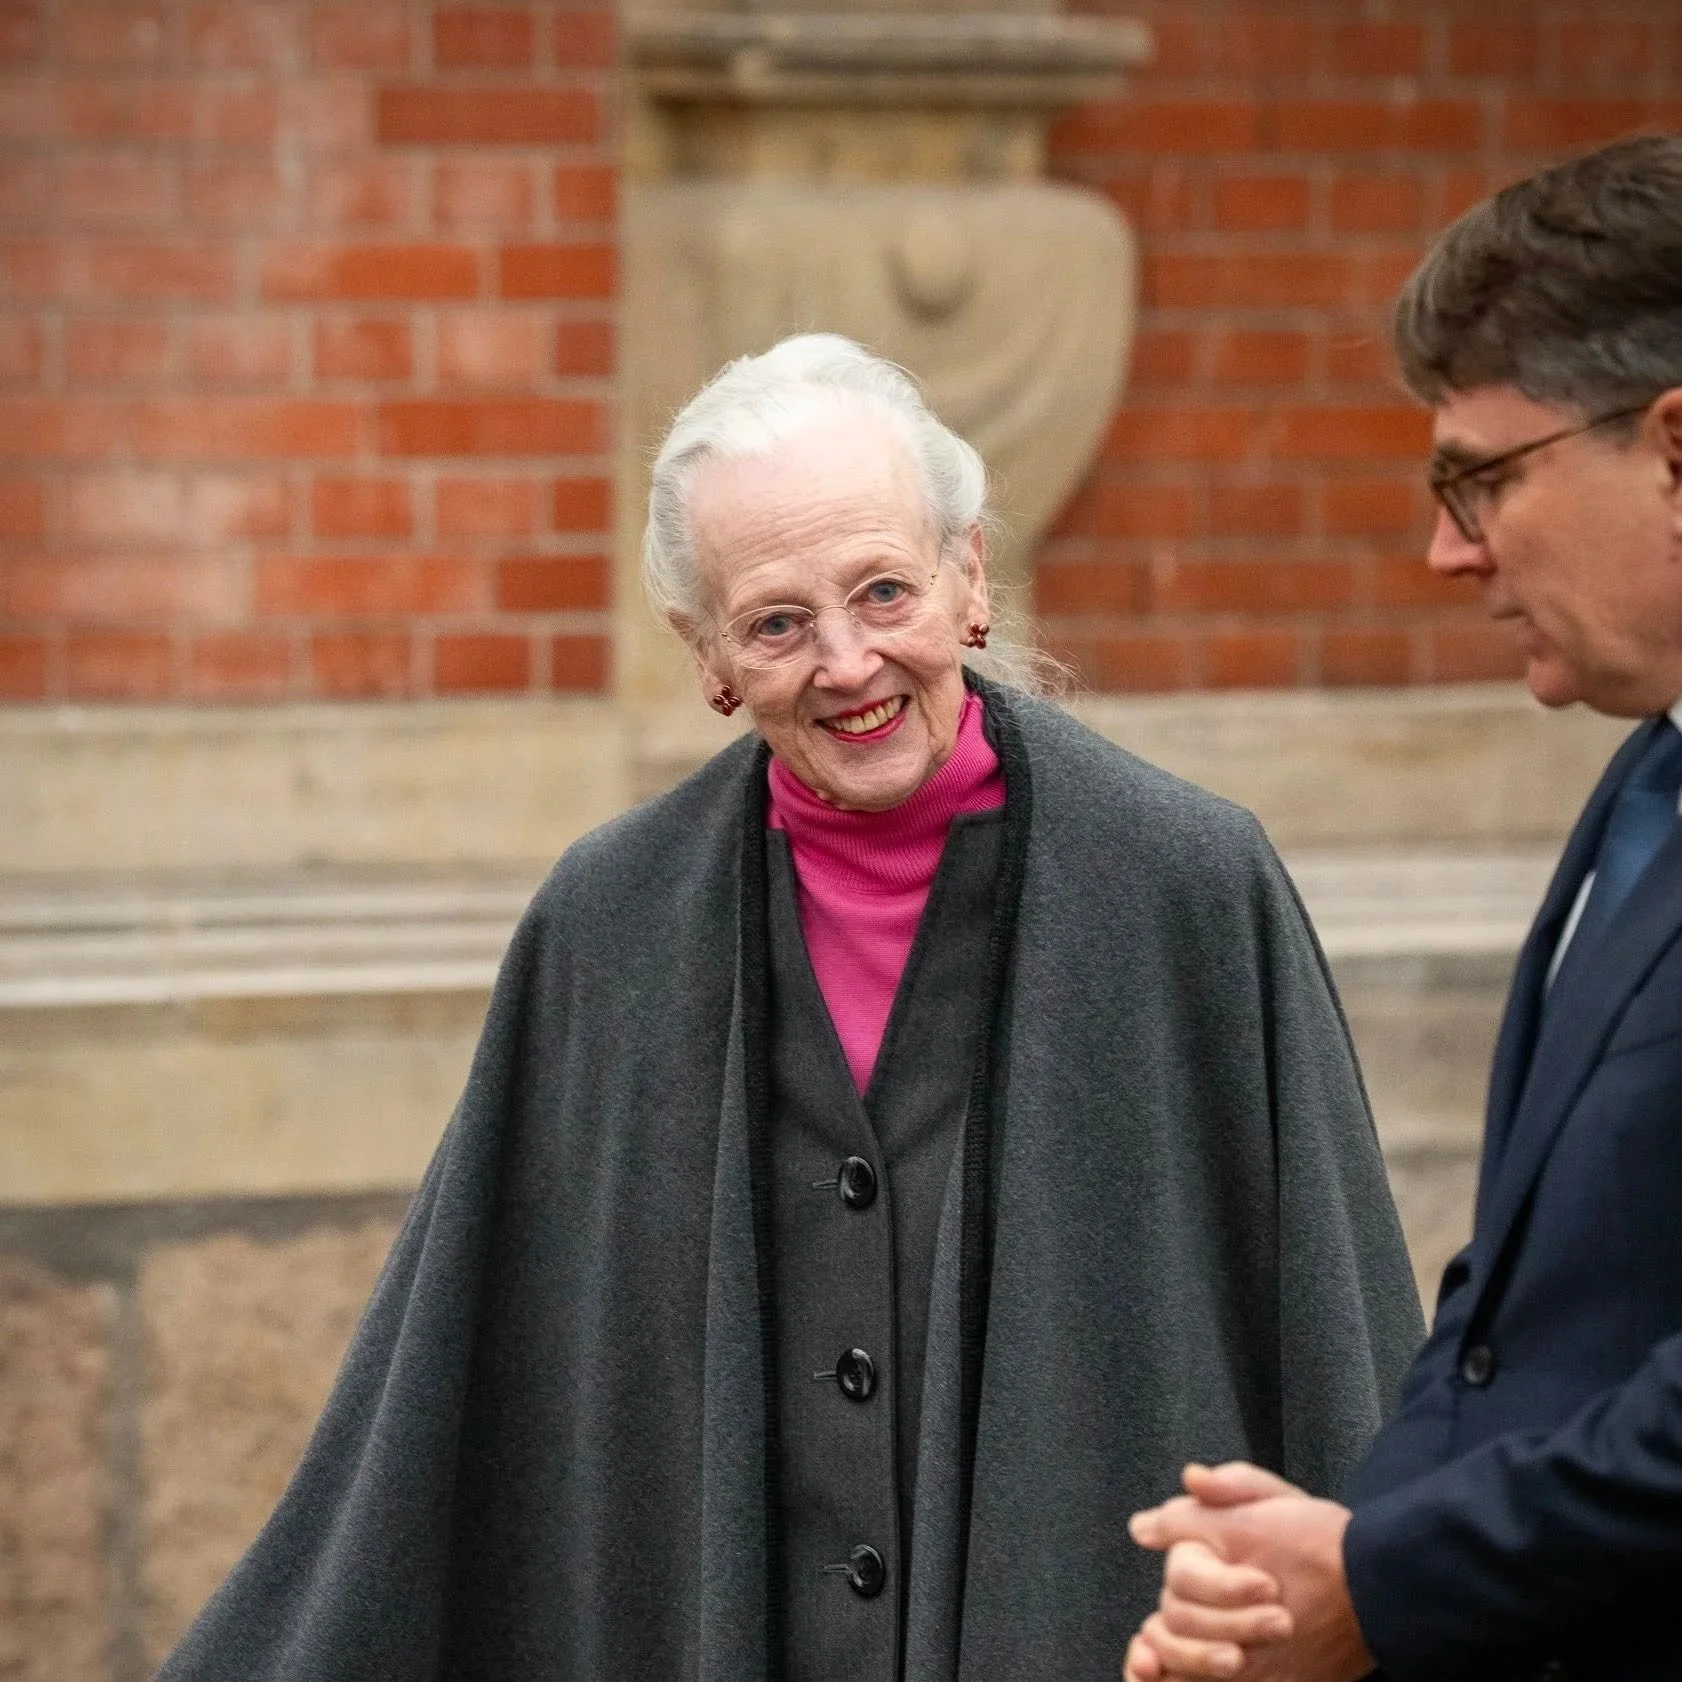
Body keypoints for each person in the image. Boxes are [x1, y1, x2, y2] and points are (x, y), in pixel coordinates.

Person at [157, 333, 1422, 1682]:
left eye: (883, 591)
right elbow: (451, 1410)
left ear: (968, 576)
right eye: (774, 622)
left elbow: (1332, 1341)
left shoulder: (1183, 884)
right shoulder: (609, 924)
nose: (846, 662)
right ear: (706, 658)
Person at [1125, 134, 1682, 1682]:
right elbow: (1516, 1316)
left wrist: (1378, 1576)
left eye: (1478, 477)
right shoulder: (1642, 782)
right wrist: (1313, 1564)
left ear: (1675, 449)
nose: (1444, 549)